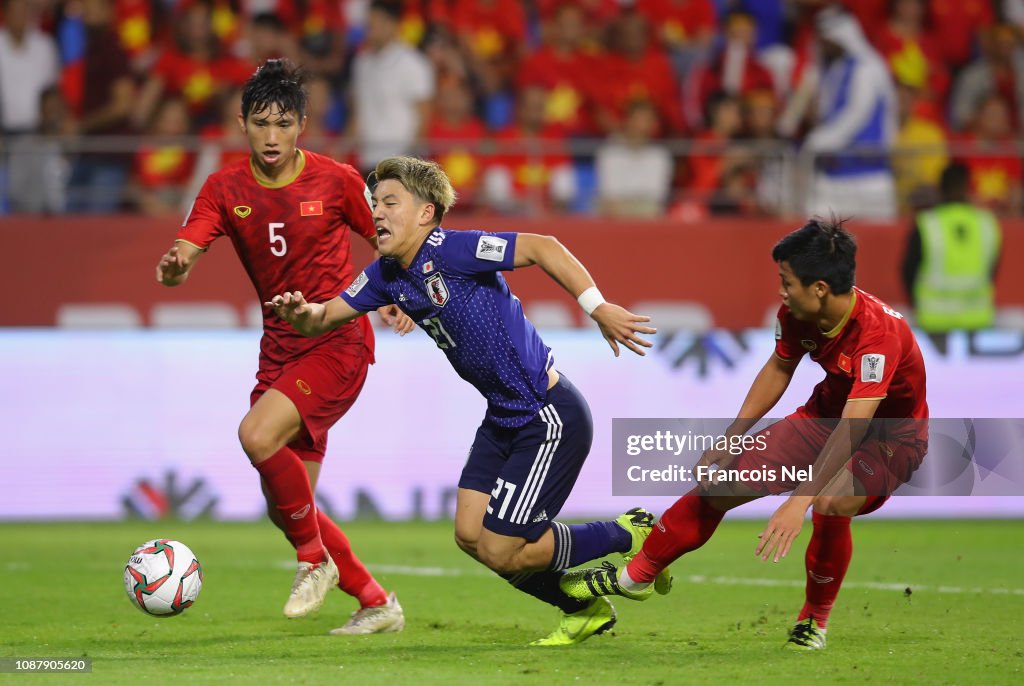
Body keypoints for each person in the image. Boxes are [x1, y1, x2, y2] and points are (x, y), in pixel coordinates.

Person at [266, 155, 670, 645]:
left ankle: (631, 532)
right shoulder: (385, 275)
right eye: (375, 204)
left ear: (426, 213)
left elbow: (544, 247)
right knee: (469, 535)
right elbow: (325, 317)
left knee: (502, 549)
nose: (377, 213)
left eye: (390, 202)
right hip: (503, 419)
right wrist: (299, 312)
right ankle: (582, 609)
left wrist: (597, 307)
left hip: (547, 414)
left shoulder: (455, 250)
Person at [560, 218, 929, 651]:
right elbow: (779, 368)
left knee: (831, 500)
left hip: (891, 440)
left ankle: (814, 621)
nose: (781, 291)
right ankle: (635, 576)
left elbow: (857, 424)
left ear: (821, 289)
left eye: (787, 282)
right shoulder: (796, 313)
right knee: (720, 483)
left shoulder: (878, 335)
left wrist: (799, 501)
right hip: (823, 417)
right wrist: (732, 439)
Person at [154, 59, 409, 635]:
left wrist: (391, 295)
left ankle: (312, 562)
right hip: (280, 350)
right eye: (261, 123)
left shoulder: (337, 179)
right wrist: (174, 269)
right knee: (288, 504)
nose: (273, 136)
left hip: (338, 340)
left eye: (284, 123)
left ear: (302, 126)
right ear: (242, 123)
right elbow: (183, 255)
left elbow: (392, 243)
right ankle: (375, 602)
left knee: (256, 434)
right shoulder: (224, 188)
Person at [902, 163, 1002, 333]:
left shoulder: (926, 224)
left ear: (940, 189)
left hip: (933, 321)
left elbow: (908, 271)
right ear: (969, 188)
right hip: (977, 320)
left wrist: (918, 305)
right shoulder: (988, 224)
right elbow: (991, 271)